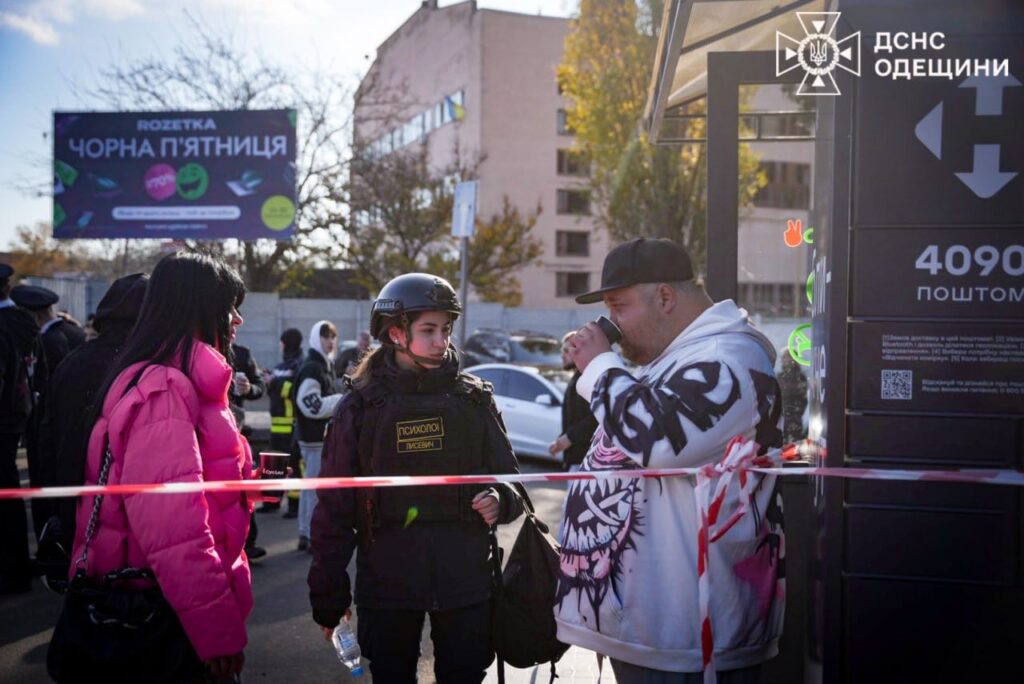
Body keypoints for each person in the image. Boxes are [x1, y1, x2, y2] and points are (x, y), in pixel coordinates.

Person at [554, 238, 785, 683]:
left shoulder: (726, 360)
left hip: (690, 641)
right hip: (658, 632)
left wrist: (600, 366)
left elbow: (657, 441)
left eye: (618, 307)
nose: (610, 324)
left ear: (664, 297)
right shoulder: (680, 358)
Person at [308, 272, 524, 683]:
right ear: (395, 332)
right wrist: (328, 594)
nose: (442, 341)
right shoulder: (360, 407)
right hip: (388, 587)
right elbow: (333, 509)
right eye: (429, 330)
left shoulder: (474, 398)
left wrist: (501, 499)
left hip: (465, 583)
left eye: (446, 329)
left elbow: (512, 481)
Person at [67, 252, 252, 681]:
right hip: (161, 619)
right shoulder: (164, 391)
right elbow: (176, 532)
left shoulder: (176, 380)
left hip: (170, 608)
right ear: (196, 308)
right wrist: (215, 632)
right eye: (229, 307)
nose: (237, 320)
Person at [35, 273, 149, 589]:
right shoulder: (143, 367)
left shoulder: (73, 361)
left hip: (70, 495)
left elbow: (45, 438)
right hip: (119, 514)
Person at [9, 284, 85, 541]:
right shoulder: (75, 332)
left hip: (48, 424)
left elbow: (45, 384)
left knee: (46, 486)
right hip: (77, 422)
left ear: (33, 315)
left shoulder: (47, 341)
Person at [0, 263, 45, 595]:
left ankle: (12, 571)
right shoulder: (23, 322)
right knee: (10, 492)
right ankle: (17, 567)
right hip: (18, 413)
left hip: (4, 417)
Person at [294, 320, 342, 551]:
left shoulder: (324, 364)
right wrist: (340, 400)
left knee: (311, 489)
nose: (330, 341)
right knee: (314, 491)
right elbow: (310, 405)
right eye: (325, 337)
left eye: (333, 337)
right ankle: (311, 535)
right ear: (316, 338)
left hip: (317, 438)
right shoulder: (313, 367)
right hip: (312, 439)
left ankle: (306, 533)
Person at [229, 342, 267, 560]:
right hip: (203, 427)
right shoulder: (198, 347)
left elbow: (260, 385)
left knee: (242, 483)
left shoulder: (242, 353)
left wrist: (249, 389)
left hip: (236, 429)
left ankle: (248, 542)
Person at [261, 327, 304, 516]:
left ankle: (294, 506)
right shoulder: (282, 365)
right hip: (277, 425)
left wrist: (274, 383)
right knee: (272, 465)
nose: (280, 345)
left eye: (282, 342)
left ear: (286, 343)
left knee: (293, 466)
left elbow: (293, 389)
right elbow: (279, 387)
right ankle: (271, 502)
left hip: (291, 425)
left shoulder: (299, 364)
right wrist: (270, 380)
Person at [548, 330, 598, 472]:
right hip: (577, 461)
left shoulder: (589, 378)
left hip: (587, 462)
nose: (562, 355)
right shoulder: (578, 377)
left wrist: (569, 438)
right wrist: (562, 440)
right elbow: (576, 418)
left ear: (579, 351)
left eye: (566, 350)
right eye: (561, 351)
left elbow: (597, 418)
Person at [778, 352, 809, 445]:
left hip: (794, 421)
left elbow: (802, 399)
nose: (785, 360)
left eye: (787, 358)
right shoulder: (780, 376)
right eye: (783, 358)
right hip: (782, 421)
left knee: (794, 446)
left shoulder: (799, 377)